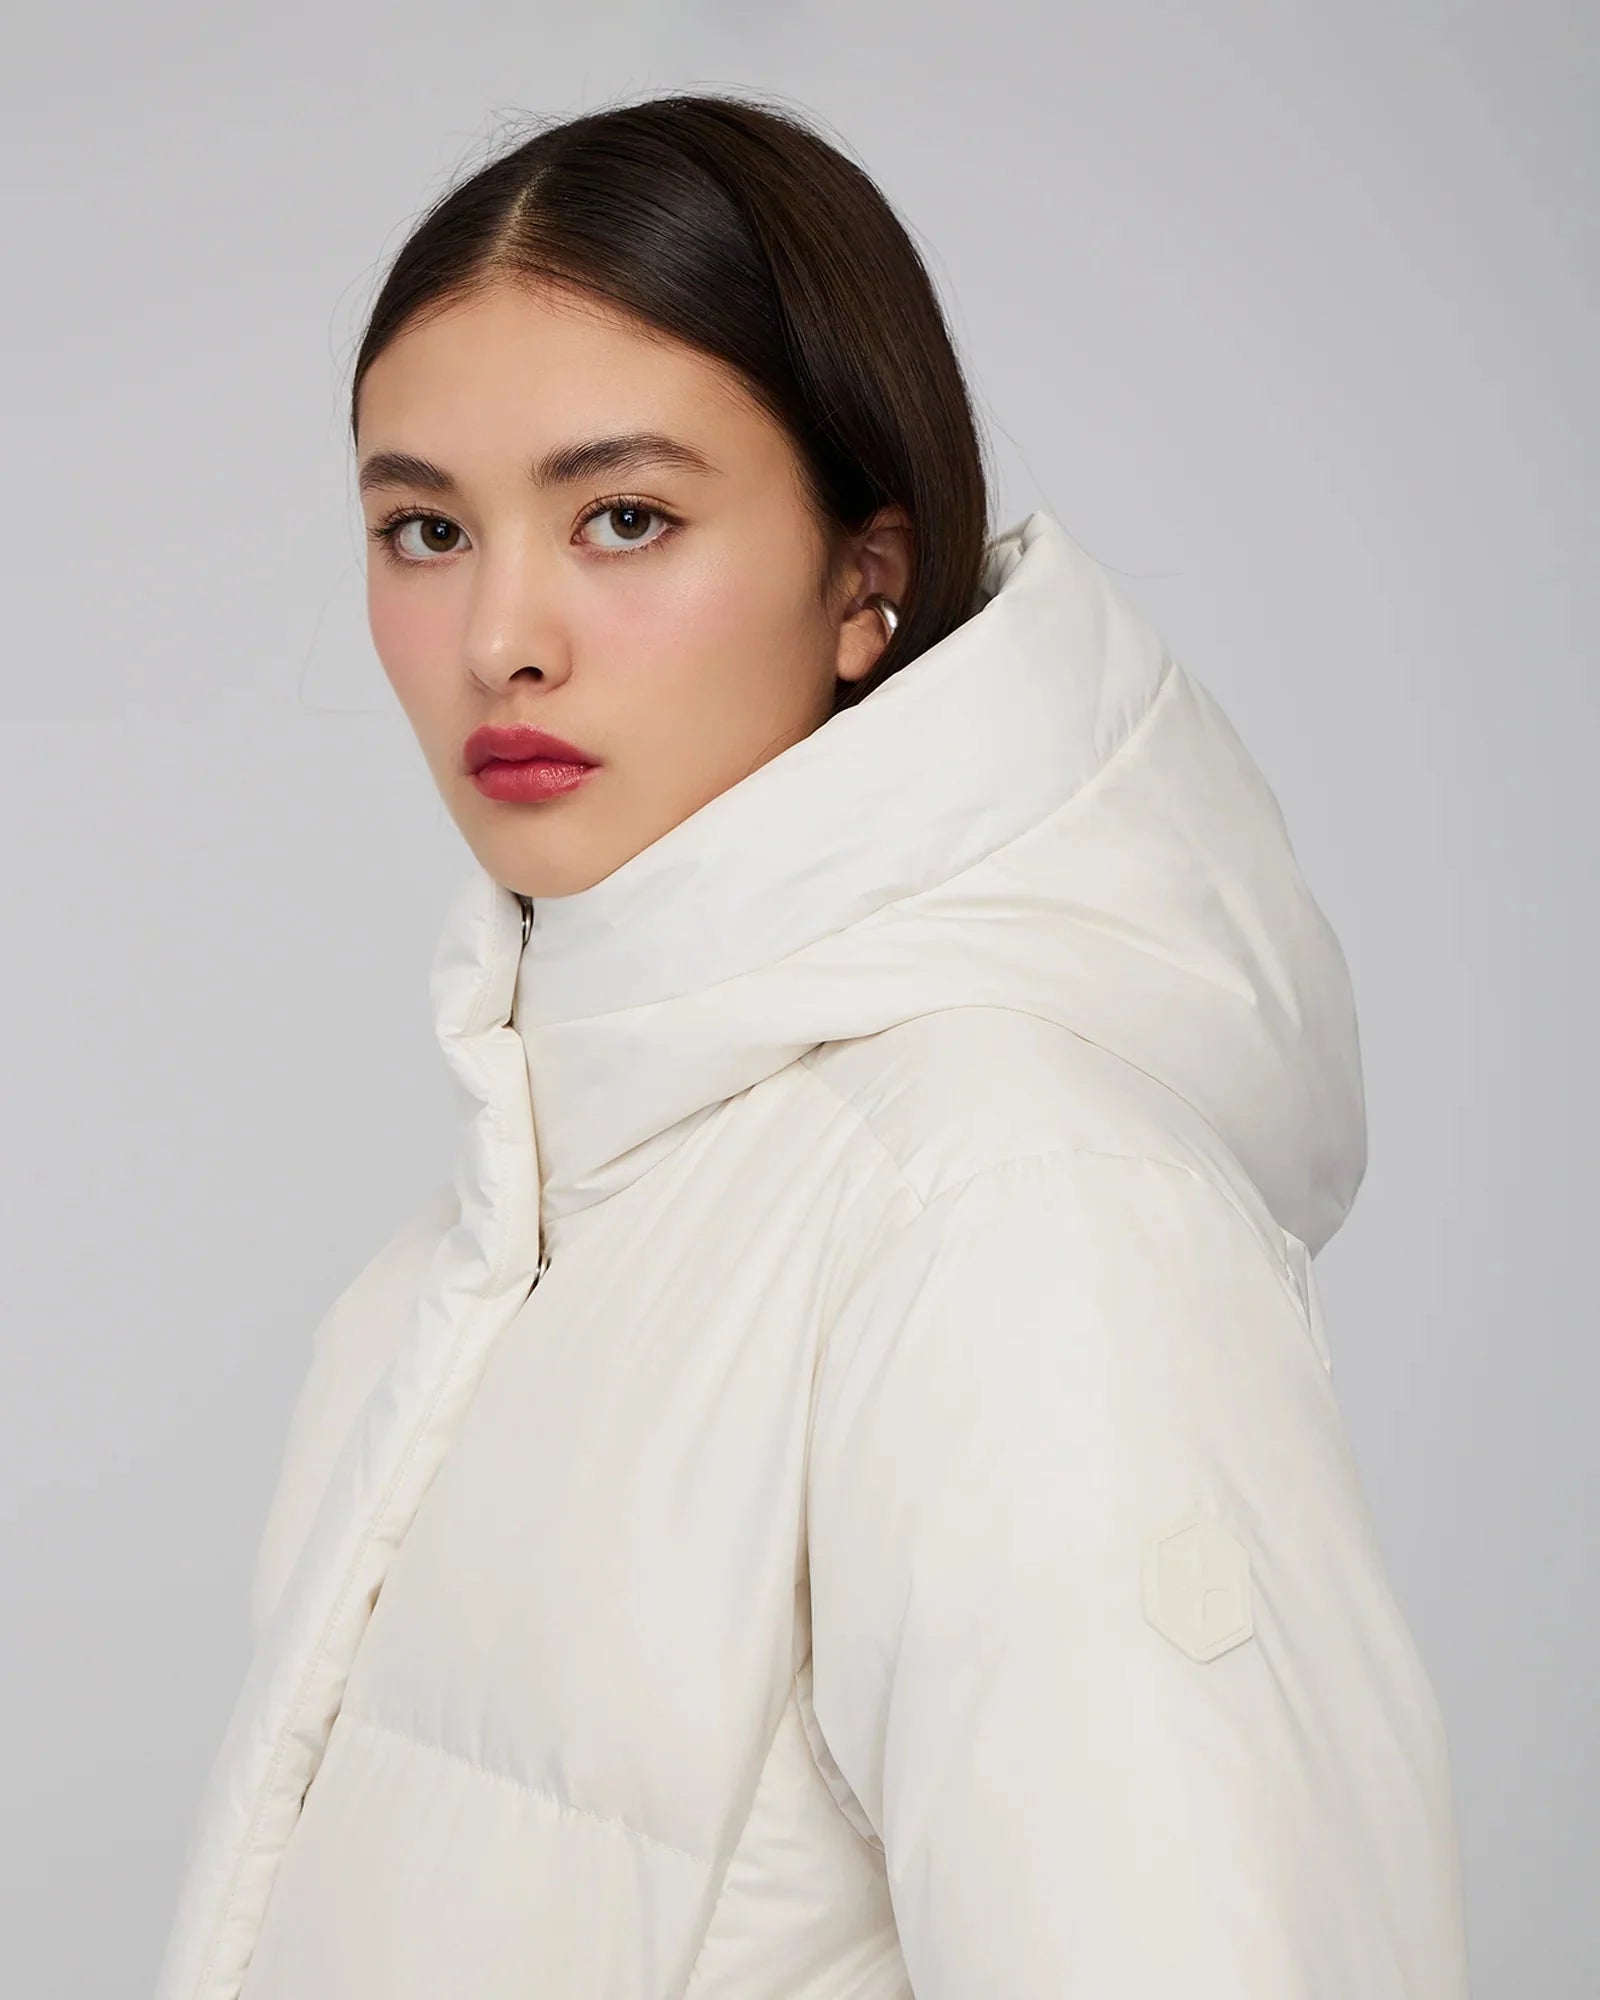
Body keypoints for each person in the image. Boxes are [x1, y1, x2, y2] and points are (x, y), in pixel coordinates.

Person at [154, 89, 1472, 1999]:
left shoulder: (1012, 1215)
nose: (501, 634)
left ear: (867, 579)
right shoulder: (445, 1289)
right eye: (423, 528)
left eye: (624, 518)